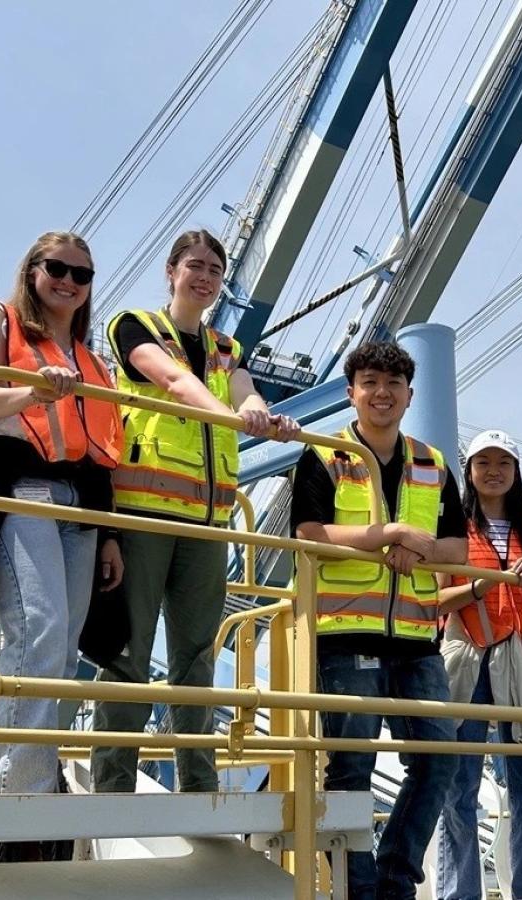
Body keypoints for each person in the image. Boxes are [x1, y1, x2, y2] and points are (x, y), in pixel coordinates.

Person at [91, 228, 298, 794]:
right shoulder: (133, 326)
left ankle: (199, 785)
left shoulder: (227, 349)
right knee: (130, 651)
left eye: (214, 270)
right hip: (142, 515)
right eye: (195, 266)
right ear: (171, 271)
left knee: (197, 656)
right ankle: (112, 787)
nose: (205, 277)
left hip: (208, 521)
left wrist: (263, 415)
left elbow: (245, 392)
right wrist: (230, 416)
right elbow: (173, 380)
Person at [0, 230, 125, 804]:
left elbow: (100, 452)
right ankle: (12, 792)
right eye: (57, 268)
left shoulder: (92, 360)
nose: (68, 281)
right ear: (32, 270)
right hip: (21, 487)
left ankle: (36, 775)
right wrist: (34, 392)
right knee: (39, 629)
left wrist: (110, 533)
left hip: (79, 501)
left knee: (64, 646)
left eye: (81, 274)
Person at [291, 340, 468, 900]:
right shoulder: (324, 455)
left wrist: (419, 548)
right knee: (351, 768)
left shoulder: (433, 465)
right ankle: (358, 890)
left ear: (410, 395)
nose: (381, 393)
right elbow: (308, 534)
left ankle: (393, 882)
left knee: (438, 760)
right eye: (369, 382)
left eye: (393, 384)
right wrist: (386, 535)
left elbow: (458, 548)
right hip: (345, 634)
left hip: (417, 639)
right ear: (351, 393)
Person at [436, 429, 522, 900]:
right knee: (459, 785)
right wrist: (478, 587)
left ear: (516, 472)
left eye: (503, 462)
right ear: (469, 472)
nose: (493, 471)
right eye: (483, 462)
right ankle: (460, 893)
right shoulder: (453, 531)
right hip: (468, 658)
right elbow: (438, 599)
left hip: (520, 660)